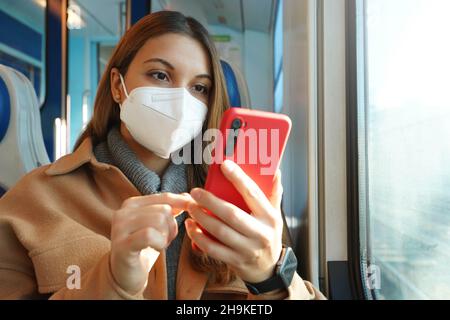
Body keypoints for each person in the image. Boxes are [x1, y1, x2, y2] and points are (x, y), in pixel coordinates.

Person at [0, 11, 324, 300]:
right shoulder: (36, 199)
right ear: (117, 85)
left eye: (199, 88)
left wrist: (270, 277)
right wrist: (112, 282)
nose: (181, 101)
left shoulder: (242, 202)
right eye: (160, 75)